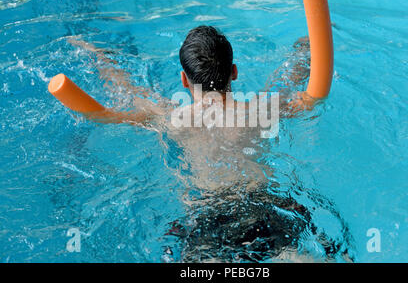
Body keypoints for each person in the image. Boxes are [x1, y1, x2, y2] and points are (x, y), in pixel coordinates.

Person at [68, 26, 352, 262]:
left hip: (208, 218)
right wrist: (308, 46)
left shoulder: (171, 118)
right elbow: (298, 87)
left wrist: (96, 57)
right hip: (264, 208)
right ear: (235, 72)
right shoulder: (261, 110)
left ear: (183, 80)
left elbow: (109, 109)